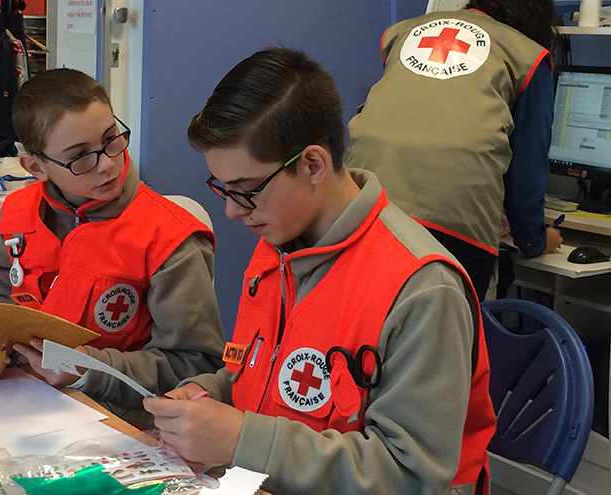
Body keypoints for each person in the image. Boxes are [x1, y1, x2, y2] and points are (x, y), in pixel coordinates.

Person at [143, 48, 496, 495]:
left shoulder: (422, 288)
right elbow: (251, 378)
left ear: (313, 164)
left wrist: (240, 440)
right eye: (222, 189)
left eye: (246, 190)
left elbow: (411, 474)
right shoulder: (279, 244)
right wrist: (203, 396)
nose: (232, 211)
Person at [0, 68, 225, 420]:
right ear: (35, 167)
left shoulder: (169, 238)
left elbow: (196, 365)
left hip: (121, 422)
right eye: (81, 157)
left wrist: (92, 368)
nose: (107, 165)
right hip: (21, 405)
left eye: (111, 139)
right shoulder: (14, 217)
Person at [345, 0, 562, 300]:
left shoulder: (406, 33)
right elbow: (526, 178)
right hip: (453, 228)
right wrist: (536, 240)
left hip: (362, 208)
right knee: (453, 327)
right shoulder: (527, 56)